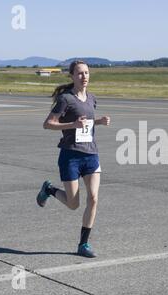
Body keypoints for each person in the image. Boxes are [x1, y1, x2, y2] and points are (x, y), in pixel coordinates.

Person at [36, 60, 110, 258]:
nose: (84, 76)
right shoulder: (65, 99)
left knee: (93, 198)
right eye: (79, 73)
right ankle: (49, 189)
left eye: (86, 73)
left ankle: (83, 244)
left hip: (91, 154)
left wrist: (99, 122)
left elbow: (85, 123)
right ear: (71, 76)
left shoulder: (92, 98)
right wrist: (71, 125)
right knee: (73, 204)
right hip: (70, 156)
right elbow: (48, 124)